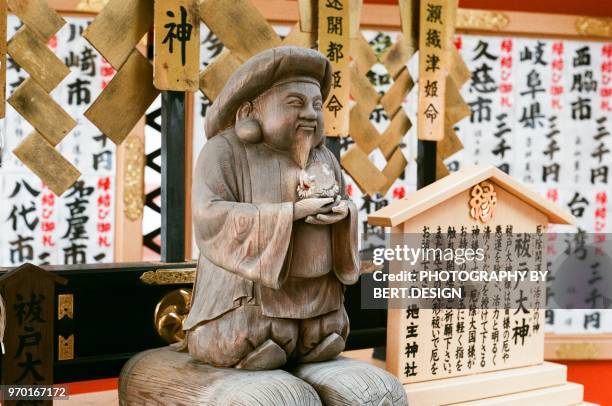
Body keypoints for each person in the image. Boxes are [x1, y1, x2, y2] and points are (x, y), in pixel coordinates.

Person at [183, 46, 360, 370]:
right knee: (248, 334)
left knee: (325, 331)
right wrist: (291, 214)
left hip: (317, 297)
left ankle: (312, 334)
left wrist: (343, 214)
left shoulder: (323, 157)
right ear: (248, 111)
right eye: (295, 103)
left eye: (316, 105)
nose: (310, 113)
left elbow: (344, 201)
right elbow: (209, 216)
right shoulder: (224, 152)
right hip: (250, 299)